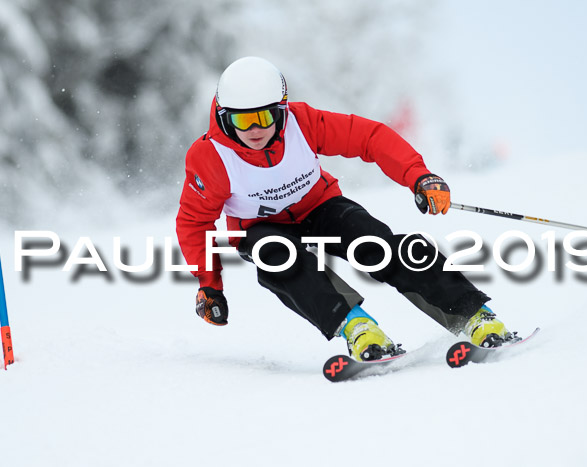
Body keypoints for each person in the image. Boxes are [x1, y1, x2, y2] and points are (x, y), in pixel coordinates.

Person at [176, 56, 514, 361]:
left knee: (378, 245)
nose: (255, 130)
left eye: (265, 117)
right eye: (242, 120)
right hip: (260, 229)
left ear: (282, 109)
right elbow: (194, 222)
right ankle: (358, 329)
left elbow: (369, 137)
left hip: (320, 205)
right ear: (224, 117)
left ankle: (473, 316)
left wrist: (419, 176)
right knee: (278, 258)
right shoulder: (210, 158)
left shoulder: (302, 124)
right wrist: (209, 284)